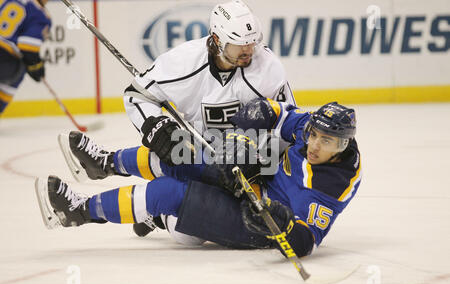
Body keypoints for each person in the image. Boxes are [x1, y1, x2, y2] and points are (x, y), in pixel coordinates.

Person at [59, 0, 296, 237]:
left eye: (251, 43)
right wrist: (155, 126)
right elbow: (136, 95)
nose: (248, 51)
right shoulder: (183, 62)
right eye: (239, 45)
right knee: (178, 149)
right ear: (216, 40)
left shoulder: (268, 69)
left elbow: (289, 122)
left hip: (250, 162)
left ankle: (160, 216)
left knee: (187, 237)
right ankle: (107, 163)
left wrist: (264, 159)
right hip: (199, 149)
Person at [36, 98, 362, 258]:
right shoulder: (311, 129)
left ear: (343, 144)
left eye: (326, 141)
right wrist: (244, 138)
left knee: (168, 193)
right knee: (177, 153)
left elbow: (305, 244)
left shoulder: (333, 185)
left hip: (259, 220)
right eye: (314, 135)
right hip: (259, 174)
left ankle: (77, 211)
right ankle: (103, 163)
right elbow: (273, 112)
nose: (314, 145)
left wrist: (282, 225)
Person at [0, 0, 51, 115]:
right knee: (22, 65)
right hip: (3, 58)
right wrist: (37, 67)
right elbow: (28, 51)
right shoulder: (40, 14)